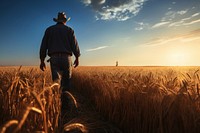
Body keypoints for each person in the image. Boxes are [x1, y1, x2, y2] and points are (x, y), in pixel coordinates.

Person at [39, 12, 80, 92]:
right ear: (65, 21)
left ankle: (57, 101)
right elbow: (74, 44)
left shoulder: (49, 30)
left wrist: (42, 60)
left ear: (57, 20)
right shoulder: (69, 30)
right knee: (67, 82)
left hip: (54, 58)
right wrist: (77, 57)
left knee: (56, 82)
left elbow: (43, 45)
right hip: (66, 58)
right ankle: (66, 101)